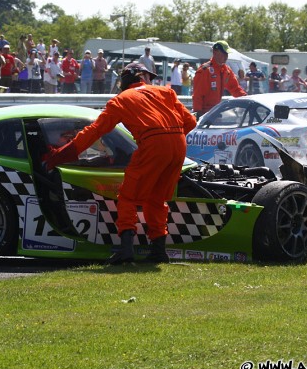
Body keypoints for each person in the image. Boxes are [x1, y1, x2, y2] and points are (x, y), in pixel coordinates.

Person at [42, 62, 198, 265]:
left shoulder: (121, 100)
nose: (151, 81)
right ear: (142, 77)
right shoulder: (166, 92)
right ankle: (159, 251)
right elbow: (191, 122)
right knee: (157, 198)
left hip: (153, 145)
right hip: (179, 145)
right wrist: (169, 140)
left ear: (125, 81)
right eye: (149, 77)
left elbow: (94, 132)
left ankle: (126, 250)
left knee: (128, 197)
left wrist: (62, 155)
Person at [192, 41, 247, 117]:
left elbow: (235, 89)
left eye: (227, 54)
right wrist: (198, 114)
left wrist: (247, 98)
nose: (226, 56)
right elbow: (198, 94)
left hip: (216, 112)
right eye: (224, 53)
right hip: (204, 114)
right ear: (215, 52)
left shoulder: (226, 70)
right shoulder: (205, 70)